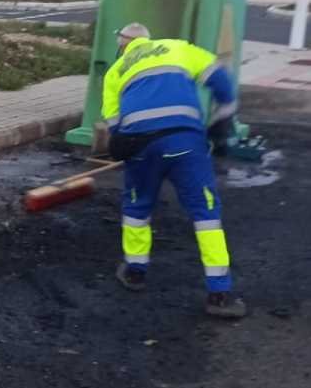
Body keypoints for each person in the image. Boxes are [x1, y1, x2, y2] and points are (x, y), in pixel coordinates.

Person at [100, 22, 246, 319]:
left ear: (123, 45)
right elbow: (219, 77)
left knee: (137, 208)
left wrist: (127, 147)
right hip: (185, 142)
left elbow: (115, 126)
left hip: (141, 146)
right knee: (205, 213)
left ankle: (135, 272)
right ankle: (219, 295)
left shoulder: (115, 71)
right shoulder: (176, 47)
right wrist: (223, 116)